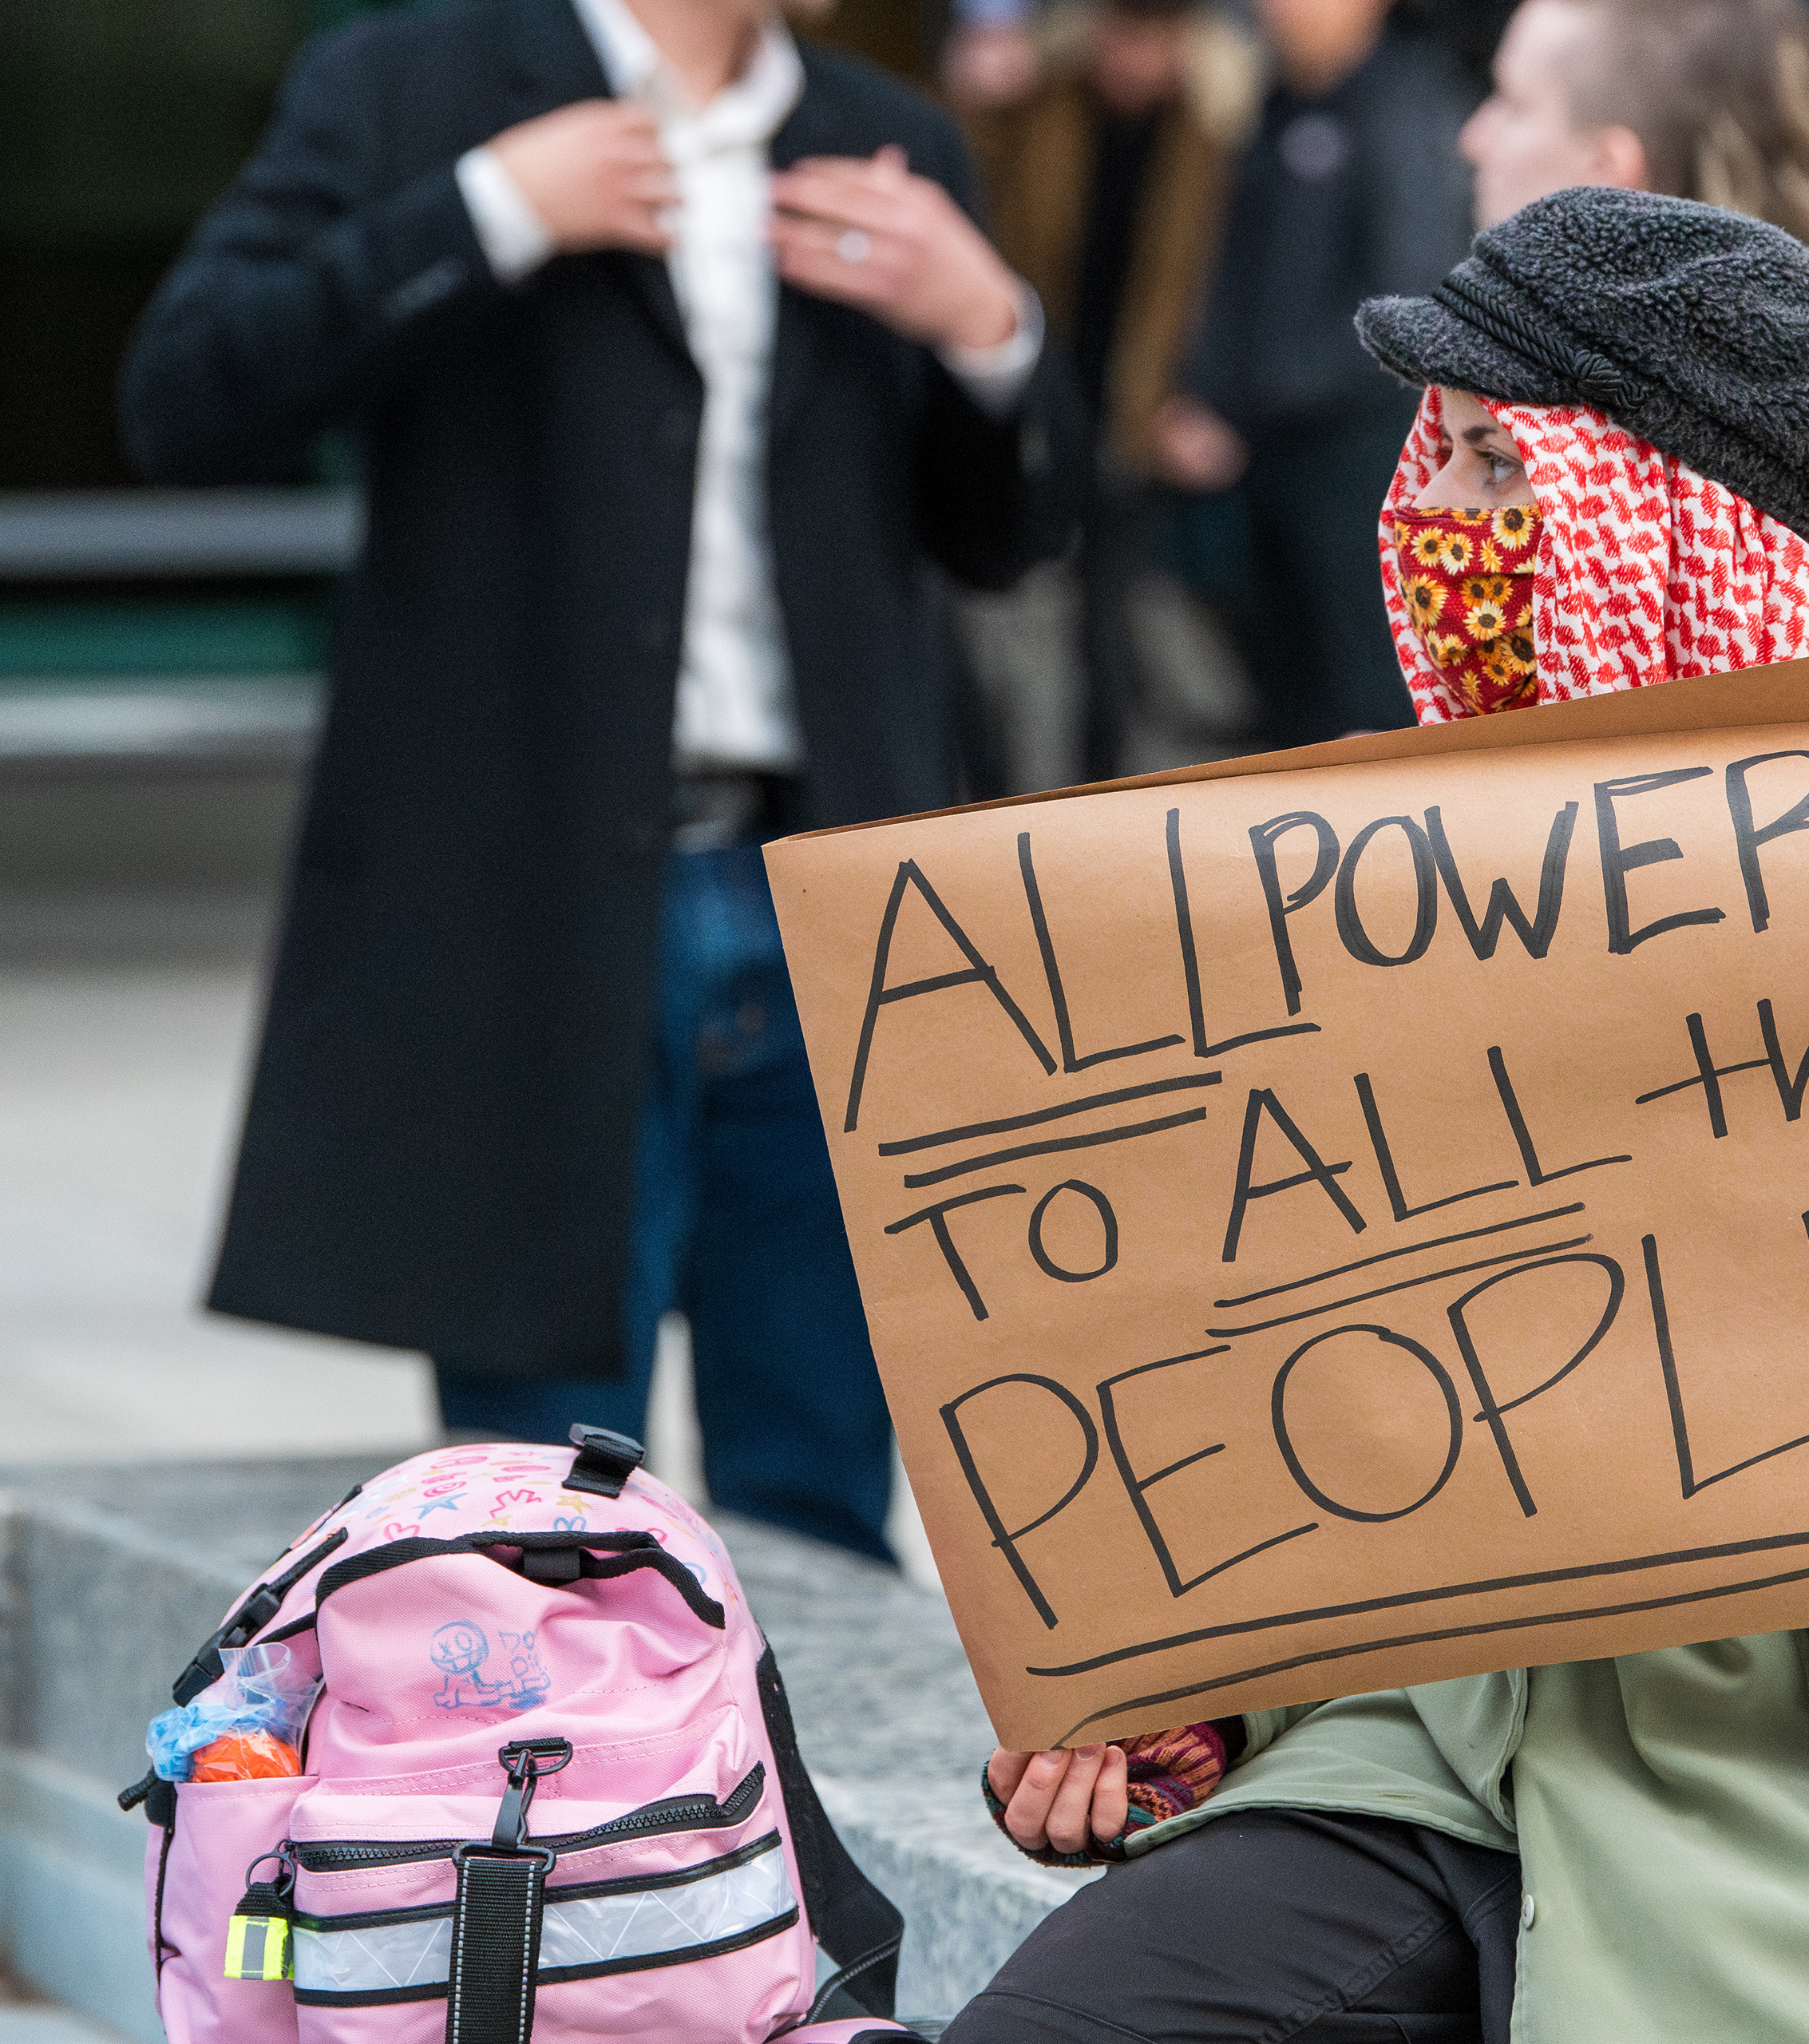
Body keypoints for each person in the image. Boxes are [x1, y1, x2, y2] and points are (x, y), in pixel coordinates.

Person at [944, 192, 1809, 2043]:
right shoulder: (1375, 890)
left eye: (1493, 463)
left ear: (1672, 523)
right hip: (1422, 1757)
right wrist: (1193, 1697)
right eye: (1426, 457)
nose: (1433, 520)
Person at [120, 0, 1051, 1560]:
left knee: (824, 1498)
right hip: (534, 905)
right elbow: (188, 395)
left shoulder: (883, 134)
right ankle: (563, 1809)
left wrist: (991, 332)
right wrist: (494, 210)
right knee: (543, 1518)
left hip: (830, 908)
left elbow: (1008, 532)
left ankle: (780, 1808)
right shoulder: (410, 89)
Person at [1457, 0, 1809, 738]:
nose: (1472, 136)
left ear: (1607, 172)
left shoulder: (1724, 470)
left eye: (1514, 103)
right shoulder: (1774, 406)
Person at [1158, 0, 1475, 747]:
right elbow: (1227, 274)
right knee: (1277, 699)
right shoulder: (1270, 106)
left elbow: (1411, 294)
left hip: (1362, 455)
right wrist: (1197, 392)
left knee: (1371, 705)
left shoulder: (1408, 102)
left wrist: (1245, 402)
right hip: (1261, 457)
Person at [970, 0, 1258, 782]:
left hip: (1136, 404)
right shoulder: (1043, 103)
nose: (1132, 59)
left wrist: (1196, 396)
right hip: (1036, 386)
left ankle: (1102, 798)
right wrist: (986, 95)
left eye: (1152, 39)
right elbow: (979, 191)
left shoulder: (1213, 134)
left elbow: (1225, 284)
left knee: (1108, 625)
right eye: (1121, 35)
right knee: (997, 612)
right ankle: (996, 792)